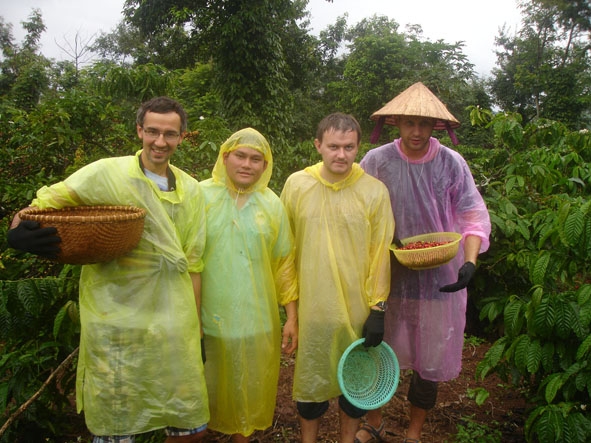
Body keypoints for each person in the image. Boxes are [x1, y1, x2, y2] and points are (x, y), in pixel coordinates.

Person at [6, 97, 209, 443]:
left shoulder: (191, 189)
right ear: (139, 131)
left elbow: (193, 263)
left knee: (187, 418)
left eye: (170, 134)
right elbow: (41, 205)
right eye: (153, 132)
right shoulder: (107, 173)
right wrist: (16, 234)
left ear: (182, 137)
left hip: (173, 318)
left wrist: (196, 330)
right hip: (116, 315)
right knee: (118, 413)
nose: (160, 142)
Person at [355, 82, 492, 443]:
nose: (416, 132)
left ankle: (414, 431)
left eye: (424, 124)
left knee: (430, 358)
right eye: (409, 123)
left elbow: (472, 214)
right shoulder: (376, 161)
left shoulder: (451, 163)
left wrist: (470, 262)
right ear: (396, 122)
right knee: (375, 345)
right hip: (388, 272)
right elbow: (359, 211)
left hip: (438, 274)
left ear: (436, 127)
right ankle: (375, 421)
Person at [280, 113, 395, 443]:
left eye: (349, 147)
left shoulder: (374, 192)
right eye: (333, 146)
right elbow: (284, 252)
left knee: (354, 386)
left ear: (359, 147)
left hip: (356, 309)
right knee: (311, 386)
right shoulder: (297, 185)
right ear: (318, 145)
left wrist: (378, 308)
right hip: (312, 308)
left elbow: (380, 252)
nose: (341, 155)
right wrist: (290, 312)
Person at [199, 128, 298, 442]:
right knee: (201, 401)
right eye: (240, 156)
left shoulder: (272, 205)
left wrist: (291, 317)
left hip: (255, 322)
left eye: (257, 159)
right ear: (225, 157)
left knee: (246, 400)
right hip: (206, 322)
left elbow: (284, 264)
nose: (247, 164)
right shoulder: (200, 196)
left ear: (265, 166)